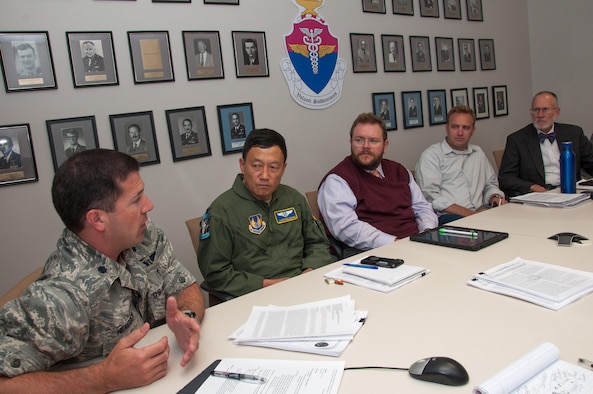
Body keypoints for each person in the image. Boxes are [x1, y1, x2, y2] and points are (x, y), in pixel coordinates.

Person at [0, 149, 204, 392]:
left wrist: (187, 316)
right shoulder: (60, 298)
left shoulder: (145, 236)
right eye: (136, 199)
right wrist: (102, 378)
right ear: (98, 220)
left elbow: (185, 286)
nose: (149, 205)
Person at [197, 128, 333, 297]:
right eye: (256, 166)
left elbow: (318, 243)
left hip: (303, 285)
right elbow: (215, 273)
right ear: (242, 165)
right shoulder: (221, 212)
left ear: (283, 168)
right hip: (253, 295)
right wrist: (264, 285)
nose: (264, 175)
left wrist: (308, 272)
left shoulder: (294, 200)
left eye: (274, 167)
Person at [317, 113, 437, 252]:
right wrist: (395, 242)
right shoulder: (338, 180)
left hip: (415, 243)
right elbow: (347, 228)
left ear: (385, 146)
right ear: (351, 142)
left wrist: (427, 231)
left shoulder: (399, 171)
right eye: (359, 140)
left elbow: (422, 207)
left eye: (373, 141)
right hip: (370, 251)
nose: (366, 146)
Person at [415, 106, 507, 225]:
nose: (460, 132)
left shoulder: (478, 153)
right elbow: (432, 198)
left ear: (473, 131)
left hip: (480, 213)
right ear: (447, 128)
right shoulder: (432, 156)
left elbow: (490, 185)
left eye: (465, 128)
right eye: (455, 127)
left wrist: (494, 197)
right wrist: (471, 214)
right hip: (448, 218)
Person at [498, 91, 593, 197]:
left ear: (557, 112)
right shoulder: (517, 140)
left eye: (545, 110)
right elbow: (505, 178)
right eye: (536, 110)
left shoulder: (574, 133)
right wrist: (531, 187)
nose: (540, 115)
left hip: (572, 193)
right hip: (539, 196)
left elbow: (591, 163)